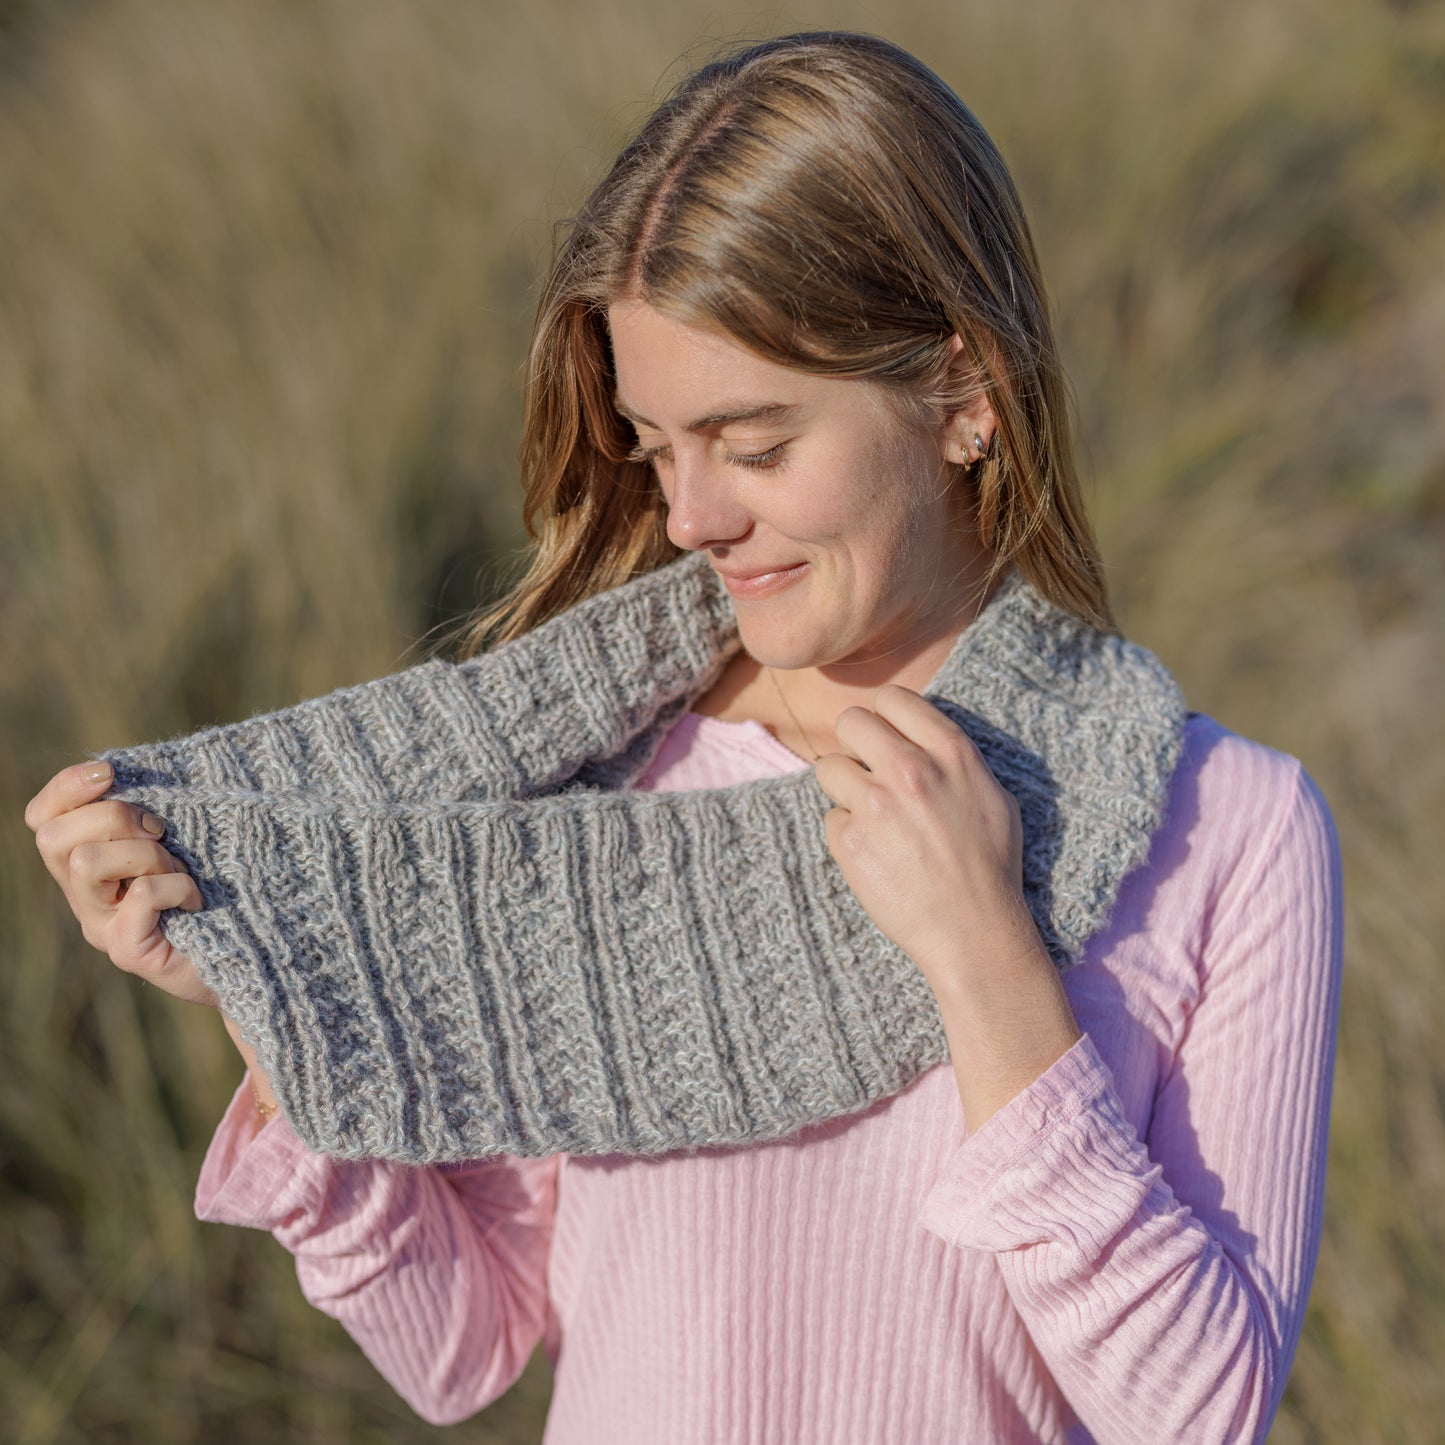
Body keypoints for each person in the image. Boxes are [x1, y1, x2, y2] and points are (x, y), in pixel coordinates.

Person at [24, 30, 1342, 1444]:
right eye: (657, 448)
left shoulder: (1225, 824)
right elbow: (460, 1345)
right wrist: (262, 985)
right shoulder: (601, 787)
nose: (693, 516)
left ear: (962, 396)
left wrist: (982, 953)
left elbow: (1200, 1415)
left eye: (757, 444)